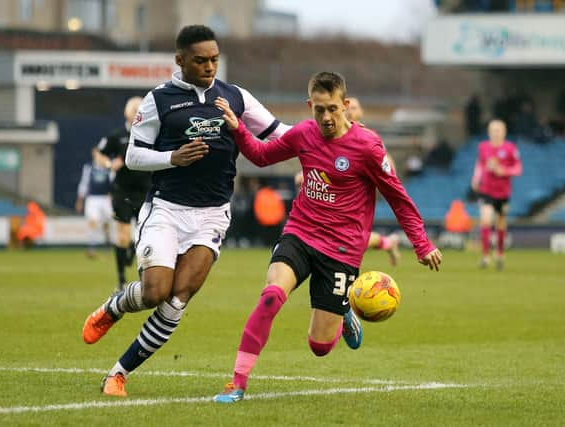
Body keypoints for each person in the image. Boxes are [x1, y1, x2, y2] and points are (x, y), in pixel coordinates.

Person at [81, 24, 290, 397]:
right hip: (166, 210)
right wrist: (171, 158)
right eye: (201, 60)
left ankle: (117, 374)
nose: (210, 66)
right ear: (180, 60)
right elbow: (133, 156)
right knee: (155, 292)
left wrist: (327, 140)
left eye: (214, 59)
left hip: (211, 215)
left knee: (177, 300)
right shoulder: (158, 100)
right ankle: (115, 307)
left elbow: (278, 132)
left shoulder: (235, 96)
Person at [213, 71, 442, 403]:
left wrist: (422, 244)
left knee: (319, 347)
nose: (326, 117)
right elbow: (262, 157)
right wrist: (237, 128)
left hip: (341, 251)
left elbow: (397, 197)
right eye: (319, 109)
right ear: (310, 106)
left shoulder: (368, 146)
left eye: (333, 108)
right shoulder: (304, 134)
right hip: (300, 233)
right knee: (271, 296)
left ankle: (345, 311)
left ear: (346, 105)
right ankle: (237, 383)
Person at [294, 96, 401, 266]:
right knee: (340, 238)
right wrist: (304, 174)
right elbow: (322, 162)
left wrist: (387, 179)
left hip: (356, 195)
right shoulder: (328, 135)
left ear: (361, 112)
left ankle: (386, 242)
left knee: (350, 238)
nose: (351, 110)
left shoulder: (368, 138)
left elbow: (387, 164)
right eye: (349, 107)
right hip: (331, 196)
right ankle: (387, 242)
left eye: (355, 107)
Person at [94, 97, 152, 289]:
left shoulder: (151, 135)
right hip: (122, 191)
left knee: (144, 234)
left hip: (146, 191)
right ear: (127, 113)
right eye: (133, 109)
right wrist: (110, 164)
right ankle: (121, 280)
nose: (136, 112)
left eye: (139, 108)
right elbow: (98, 153)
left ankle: (133, 255)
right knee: (123, 234)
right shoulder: (117, 135)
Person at [471, 119, 522, 270]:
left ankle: (499, 254)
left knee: (500, 223)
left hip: (503, 192)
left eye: (498, 130)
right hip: (487, 190)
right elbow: (480, 163)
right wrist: (476, 177)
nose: (495, 132)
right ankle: (486, 256)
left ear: (504, 132)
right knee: (486, 220)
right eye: (492, 130)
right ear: (489, 132)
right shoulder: (483, 147)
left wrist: (503, 171)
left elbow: (518, 168)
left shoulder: (510, 148)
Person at [76, 149, 113, 258]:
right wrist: (80, 200)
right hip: (93, 198)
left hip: (106, 198)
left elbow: (113, 182)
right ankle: (91, 249)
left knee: (106, 224)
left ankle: (107, 247)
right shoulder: (89, 167)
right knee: (92, 222)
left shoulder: (108, 167)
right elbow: (84, 183)